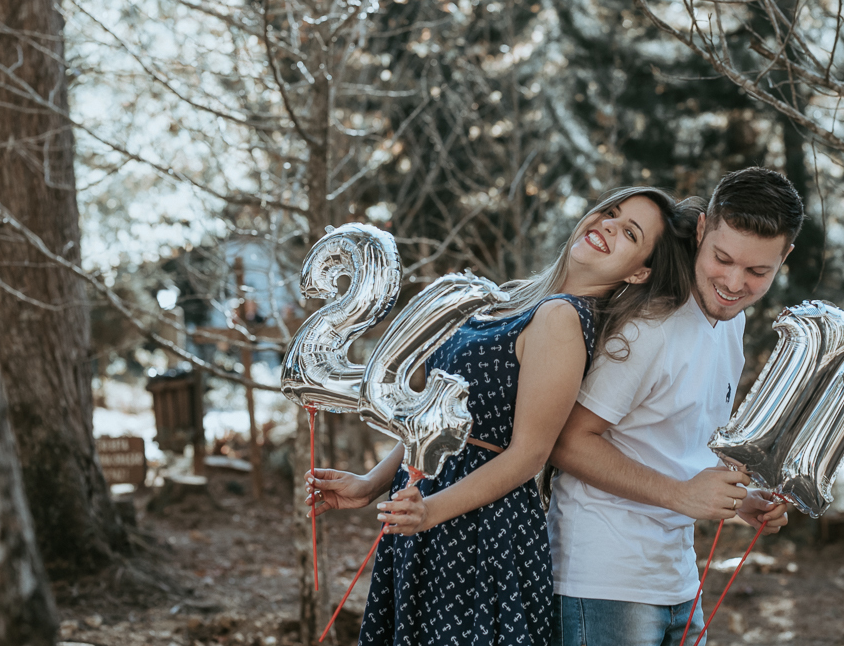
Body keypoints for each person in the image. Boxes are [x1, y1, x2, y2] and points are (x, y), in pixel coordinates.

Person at [306, 186, 696, 646]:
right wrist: (370, 484)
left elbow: (529, 455)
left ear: (639, 272)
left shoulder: (562, 318)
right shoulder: (508, 298)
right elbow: (441, 421)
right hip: (423, 512)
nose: (608, 225)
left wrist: (431, 511)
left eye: (629, 233)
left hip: (481, 532)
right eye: (610, 212)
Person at [547, 167, 804, 646]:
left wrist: (741, 502)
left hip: (679, 581)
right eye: (722, 259)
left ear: (784, 256)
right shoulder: (649, 325)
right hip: (603, 583)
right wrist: (682, 495)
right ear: (702, 228)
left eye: (757, 271)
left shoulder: (731, 320)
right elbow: (567, 442)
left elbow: (673, 447)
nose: (733, 282)